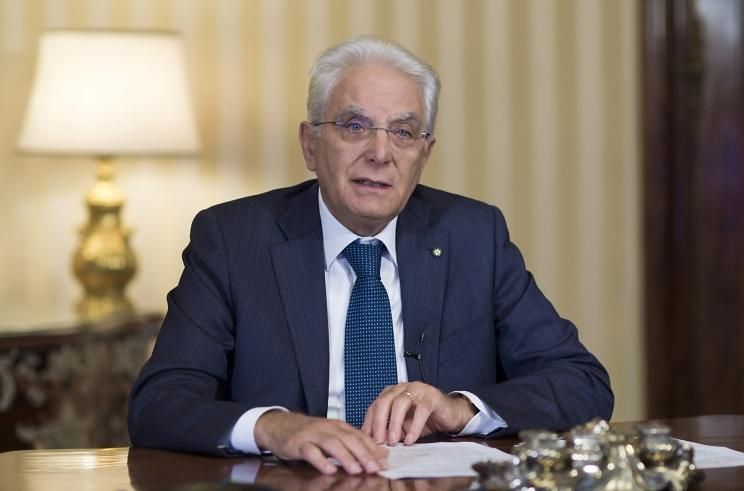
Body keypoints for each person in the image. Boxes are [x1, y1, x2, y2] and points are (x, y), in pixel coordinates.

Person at [128, 35, 613, 476]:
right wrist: (274, 426)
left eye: (403, 132)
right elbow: (159, 404)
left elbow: (582, 383)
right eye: (355, 126)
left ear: (424, 154)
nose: (381, 154)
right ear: (310, 144)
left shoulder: (474, 235)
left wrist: (460, 409)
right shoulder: (233, 239)